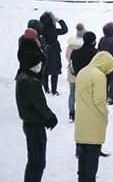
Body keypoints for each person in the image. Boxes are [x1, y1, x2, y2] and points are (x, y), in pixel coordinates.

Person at [75, 51, 113, 182]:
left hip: (81, 118)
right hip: (94, 120)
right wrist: (105, 113)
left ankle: (81, 178)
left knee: (82, 154)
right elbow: (99, 100)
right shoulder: (99, 76)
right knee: (93, 155)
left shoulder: (82, 72)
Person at [16, 50, 58, 182]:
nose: (40, 64)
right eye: (38, 62)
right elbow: (39, 104)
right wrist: (50, 117)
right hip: (35, 125)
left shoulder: (22, 77)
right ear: (33, 64)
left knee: (33, 161)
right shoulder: (31, 82)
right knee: (38, 162)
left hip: (28, 123)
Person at [40, 11, 68, 95]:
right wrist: (60, 21)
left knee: (45, 71)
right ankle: (54, 90)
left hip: (44, 51)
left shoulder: (40, 30)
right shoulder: (52, 30)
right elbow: (65, 30)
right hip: (54, 51)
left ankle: (46, 89)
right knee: (54, 71)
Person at [97, 22, 113, 105]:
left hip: (104, 64)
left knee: (105, 82)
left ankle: (105, 97)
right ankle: (111, 98)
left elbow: (99, 50)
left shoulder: (102, 39)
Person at [66, 23, 86, 122]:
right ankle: (81, 112)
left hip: (72, 72)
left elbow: (67, 57)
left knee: (72, 93)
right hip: (83, 73)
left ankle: (71, 113)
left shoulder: (70, 45)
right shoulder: (85, 46)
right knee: (82, 94)